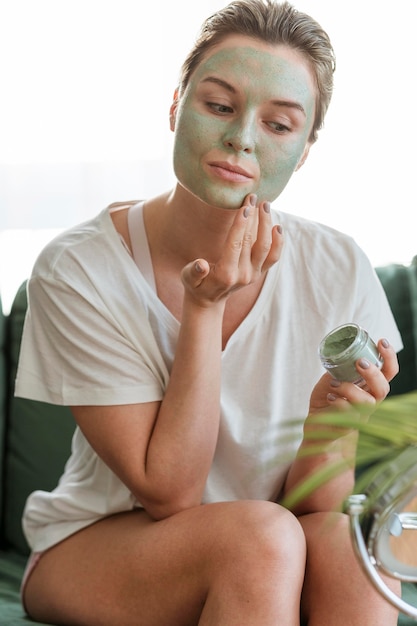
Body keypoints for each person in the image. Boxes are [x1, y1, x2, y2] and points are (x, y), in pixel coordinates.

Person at [15, 1, 403, 624]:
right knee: (262, 538)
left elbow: (316, 510)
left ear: (303, 151)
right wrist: (204, 308)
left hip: (272, 544)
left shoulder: (338, 266)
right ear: (176, 107)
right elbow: (168, 493)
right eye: (219, 106)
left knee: (347, 547)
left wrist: (330, 422)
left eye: (279, 125)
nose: (241, 137)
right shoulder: (77, 268)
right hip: (103, 544)